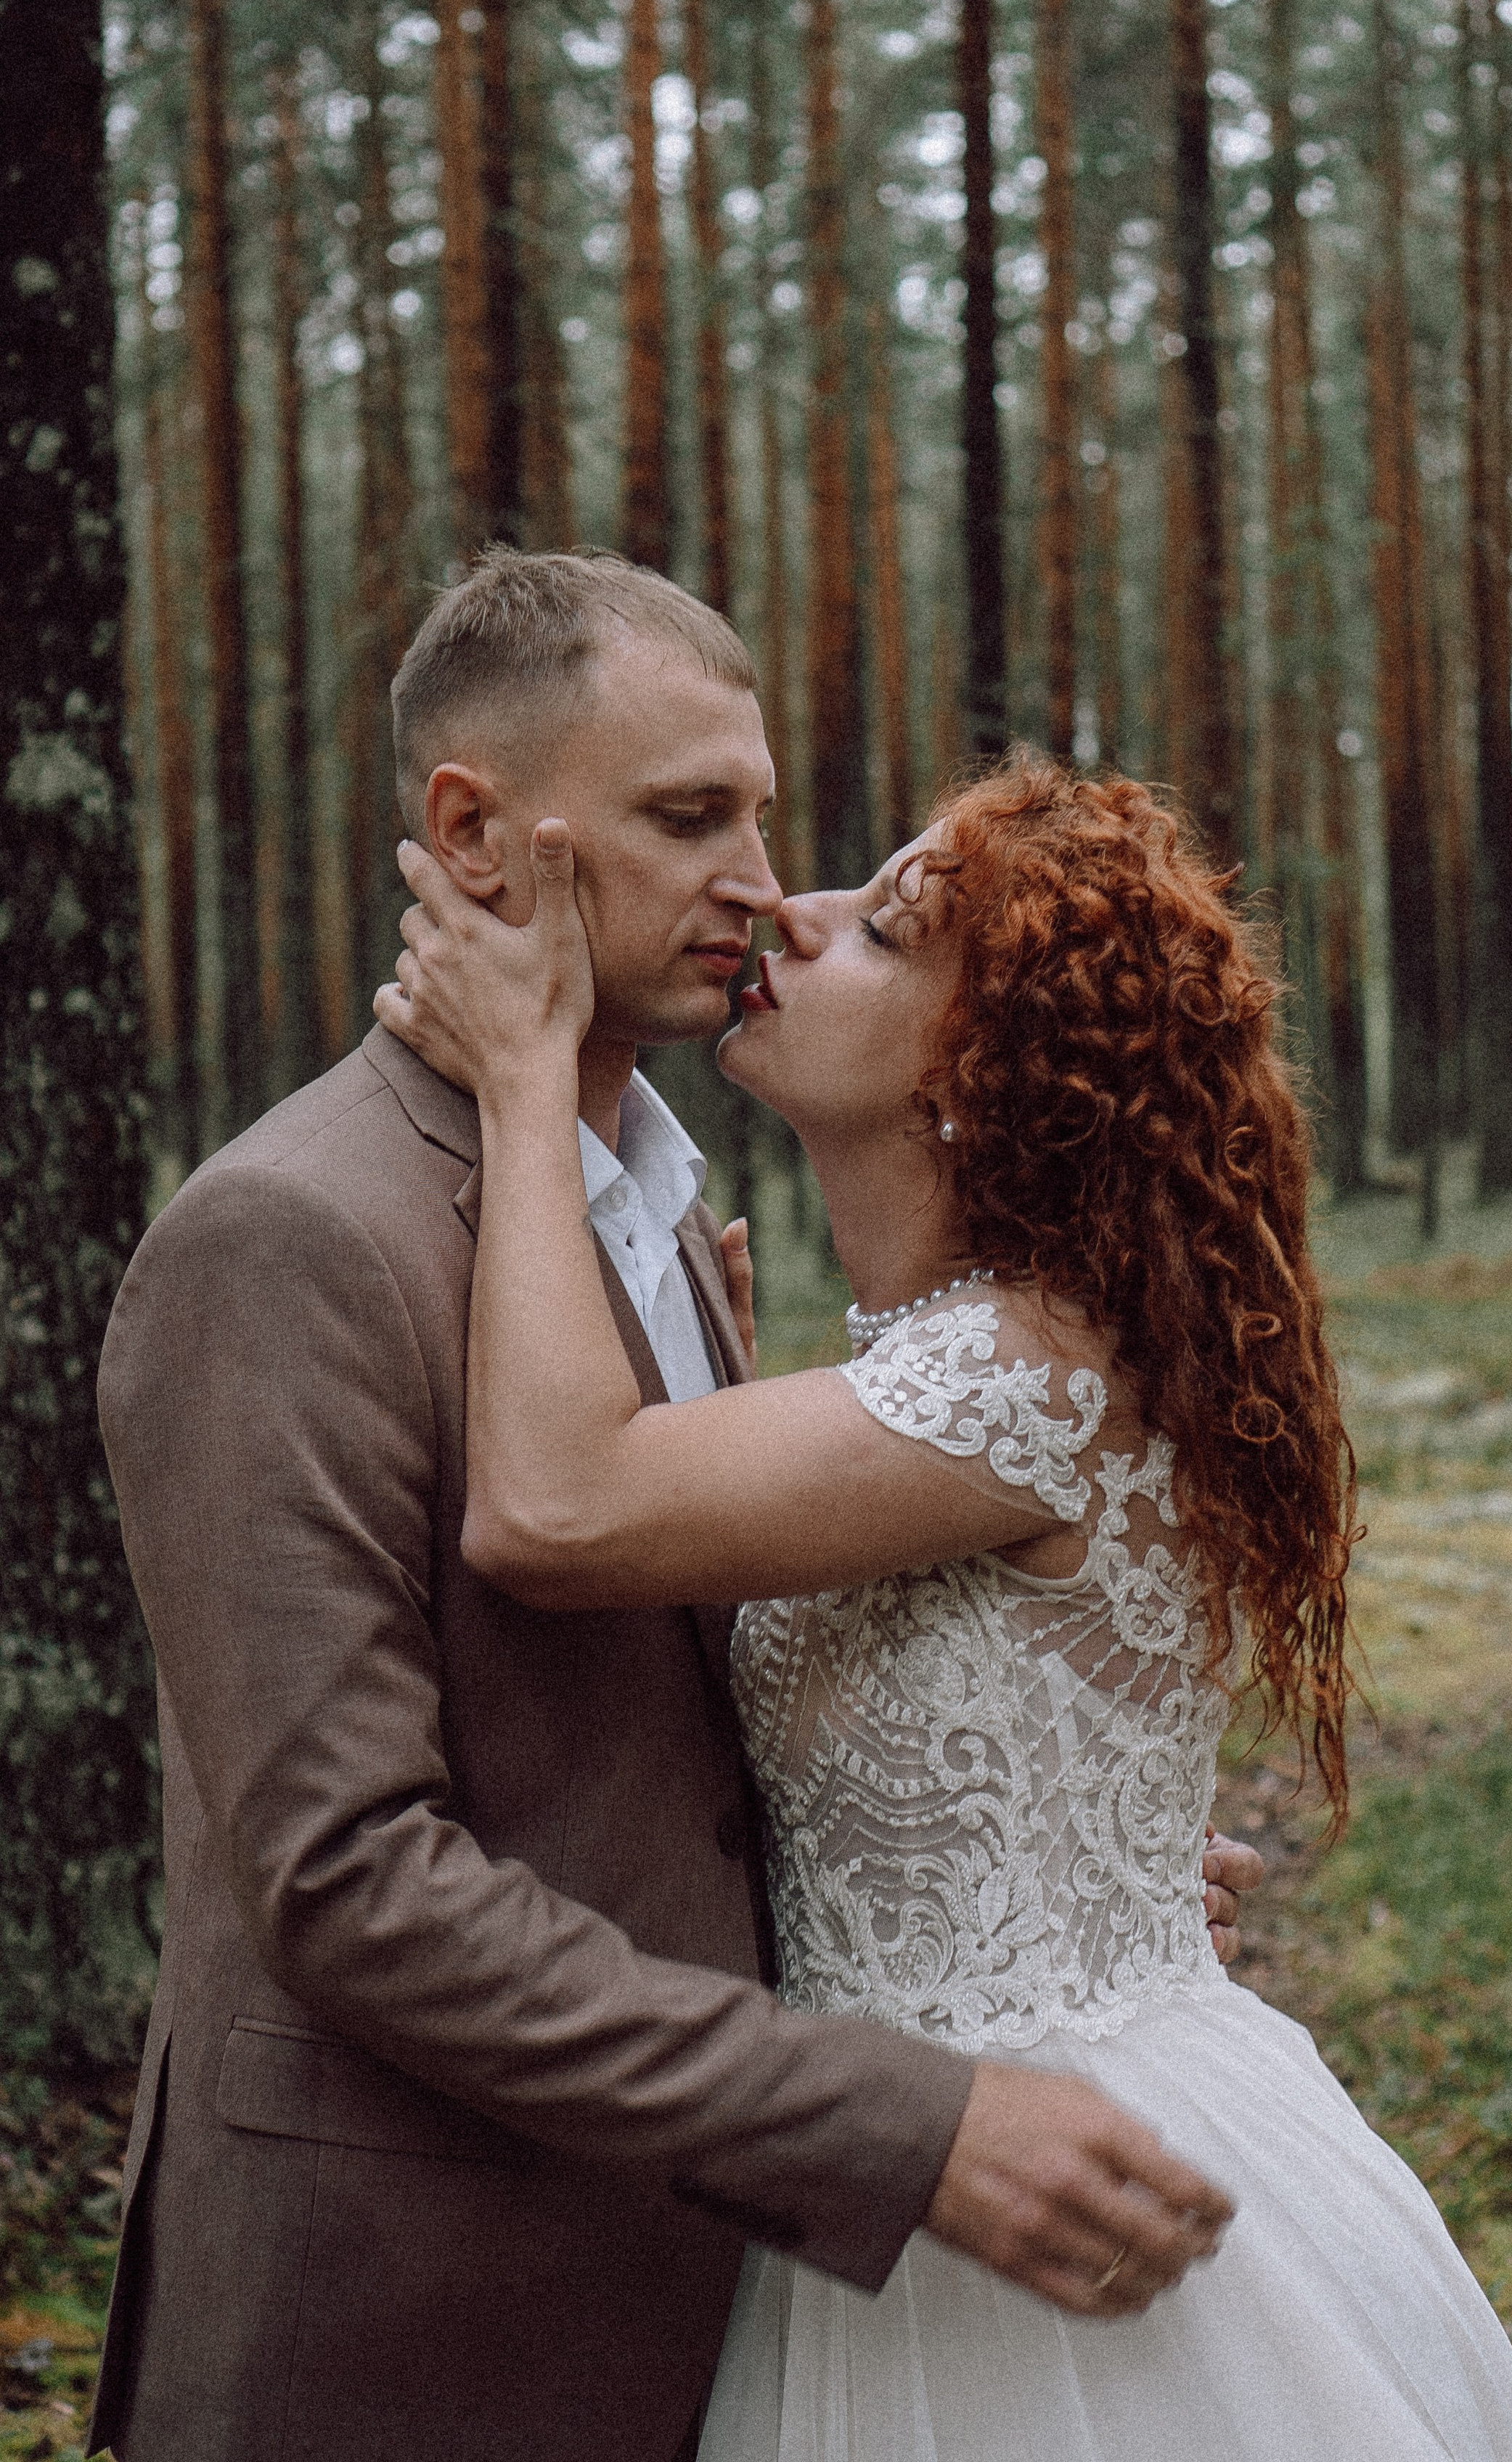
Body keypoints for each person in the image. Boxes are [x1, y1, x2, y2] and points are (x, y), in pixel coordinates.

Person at [90, 552, 1256, 2462]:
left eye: (763, 814)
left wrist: (1030, 1861)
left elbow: (668, 1726)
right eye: (685, 815)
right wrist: (903, 2120)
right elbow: (350, 1884)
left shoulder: (659, 1210)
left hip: (703, 2298)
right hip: (402, 2326)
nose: (756, 881)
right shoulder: (288, 1241)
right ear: (471, 832)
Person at [376, 749, 1512, 2462]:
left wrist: (517, 1072)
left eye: (884, 928)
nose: (794, 905)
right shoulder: (967, 1361)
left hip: (1025, 2176)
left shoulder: (1022, 1375)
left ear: (983, 1066)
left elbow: (556, 1508)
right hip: (906, 2157)